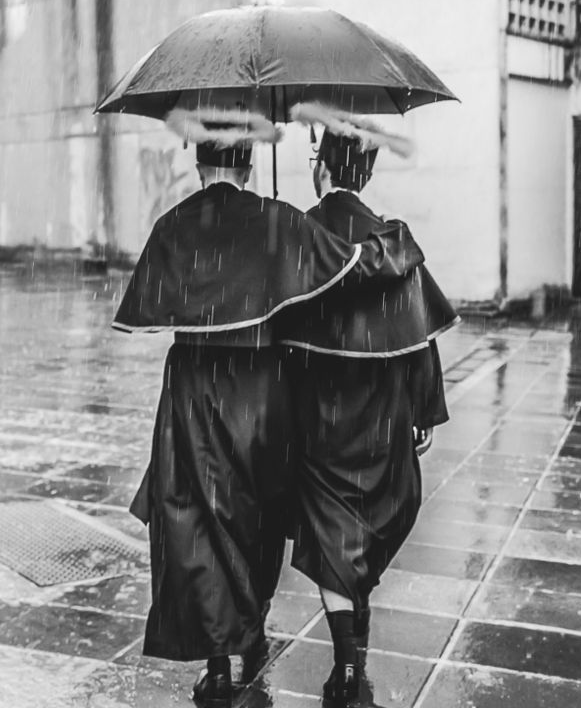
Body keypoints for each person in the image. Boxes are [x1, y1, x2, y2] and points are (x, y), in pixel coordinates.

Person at [115, 106, 426, 708]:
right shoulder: (278, 221)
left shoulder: (172, 227)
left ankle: (218, 666)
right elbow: (351, 264)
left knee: (196, 520)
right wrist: (396, 246)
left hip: (191, 389)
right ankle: (252, 620)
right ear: (252, 158)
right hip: (260, 388)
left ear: (197, 158)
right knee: (253, 516)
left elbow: (150, 308)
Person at [276, 103, 458, 702]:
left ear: (319, 168)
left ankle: (347, 667)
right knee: (364, 533)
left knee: (332, 540)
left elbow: (272, 332)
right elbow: (420, 335)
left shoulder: (296, 239)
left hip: (318, 418)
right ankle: (353, 658)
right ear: (367, 172)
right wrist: (423, 410)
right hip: (382, 417)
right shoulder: (394, 243)